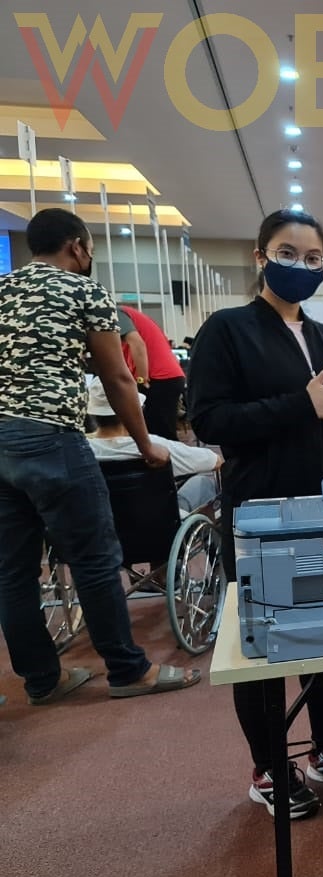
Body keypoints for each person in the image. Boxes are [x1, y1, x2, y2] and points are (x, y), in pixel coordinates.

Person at [187, 209, 323, 820]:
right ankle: (270, 763)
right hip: (262, 515)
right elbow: (212, 421)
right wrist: (299, 405)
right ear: (261, 256)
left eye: (314, 257)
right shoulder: (228, 330)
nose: (302, 265)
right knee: (264, 643)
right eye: (288, 253)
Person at [0, 208, 198, 704]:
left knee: (13, 571)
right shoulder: (84, 290)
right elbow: (118, 378)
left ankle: (43, 680)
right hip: (50, 436)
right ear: (77, 246)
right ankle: (129, 671)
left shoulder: (3, 290)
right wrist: (147, 443)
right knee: (93, 559)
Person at [86, 378, 221, 513]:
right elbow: (215, 461)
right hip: (159, 525)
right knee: (202, 483)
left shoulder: (82, 449)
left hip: (102, 524)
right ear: (135, 410)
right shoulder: (152, 447)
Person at [121, 306, 186, 440]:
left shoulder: (114, 313)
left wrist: (141, 380)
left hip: (157, 379)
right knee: (159, 432)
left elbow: (137, 344)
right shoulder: (129, 316)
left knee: (159, 435)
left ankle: (171, 460)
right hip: (167, 377)